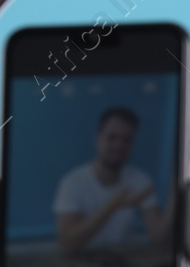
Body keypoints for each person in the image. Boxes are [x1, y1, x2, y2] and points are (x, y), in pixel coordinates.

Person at [53, 106, 172, 255]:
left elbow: (159, 239)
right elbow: (67, 245)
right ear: (98, 139)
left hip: (123, 262)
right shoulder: (71, 182)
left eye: (126, 140)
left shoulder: (140, 180)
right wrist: (113, 205)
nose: (119, 145)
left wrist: (176, 189)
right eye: (112, 137)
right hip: (81, 266)